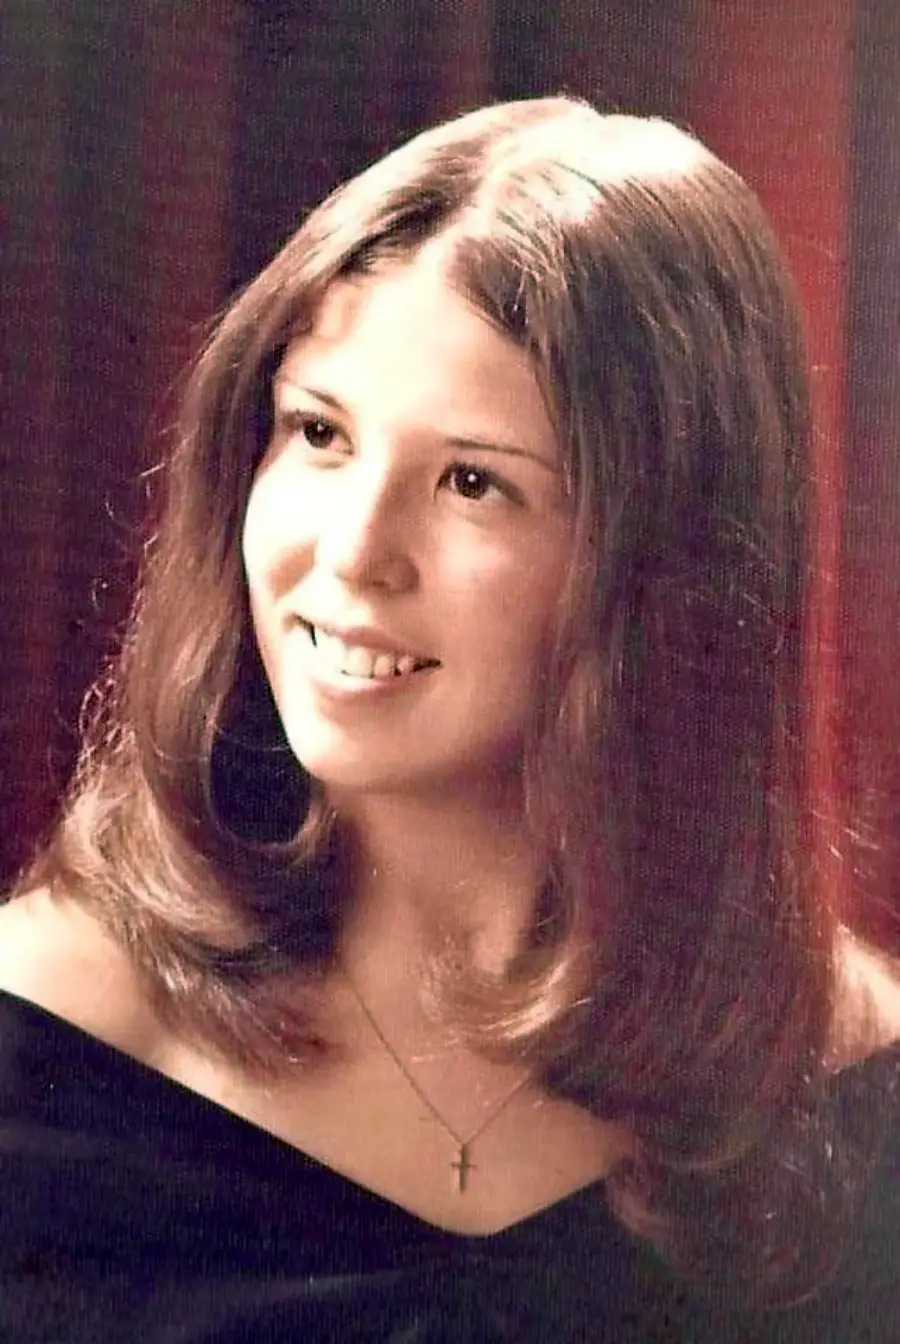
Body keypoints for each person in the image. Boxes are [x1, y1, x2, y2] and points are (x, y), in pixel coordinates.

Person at [0, 95, 897, 1342]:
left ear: (674, 565)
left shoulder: (859, 1091)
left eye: (474, 482)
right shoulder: (41, 1057)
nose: (354, 553)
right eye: (317, 433)